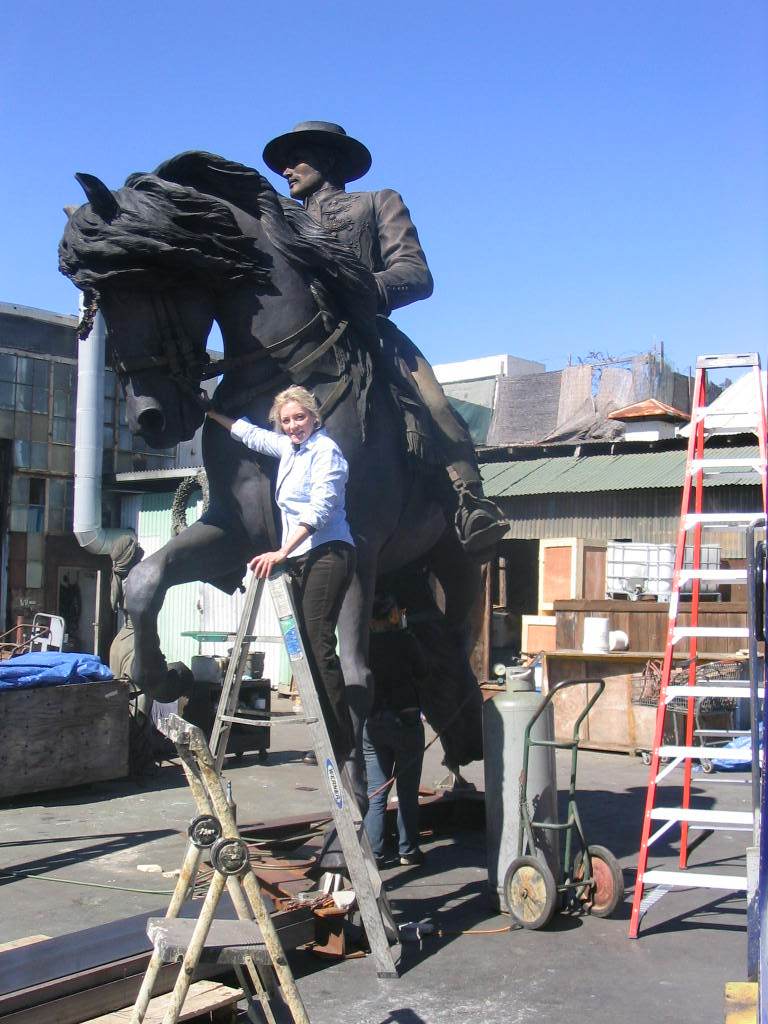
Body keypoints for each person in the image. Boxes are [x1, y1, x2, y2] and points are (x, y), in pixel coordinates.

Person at [262, 120, 509, 560]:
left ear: (329, 159)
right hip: (298, 339)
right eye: (284, 163)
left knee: (433, 401)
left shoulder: (377, 202)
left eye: (297, 158)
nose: (287, 170)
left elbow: (416, 274)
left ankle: (469, 500)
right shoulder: (279, 219)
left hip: (368, 330)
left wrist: (364, 289)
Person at [206, 385, 356, 763]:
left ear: (314, 417)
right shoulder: (289, 449)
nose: (293, 426)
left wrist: (281, 551)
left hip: (328, 551)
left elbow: (321, 508)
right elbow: (253, 436)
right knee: (302, 646)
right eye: (286, 421)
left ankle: (341, 740)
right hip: (302, 554)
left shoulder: (327, 452)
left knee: (318, 643)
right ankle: (325, 733)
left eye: (299, 418)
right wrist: (209, 413)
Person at [362, 592, 429, 867]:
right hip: (405, 722)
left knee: (376, 792)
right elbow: (423, 672)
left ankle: (375, 854)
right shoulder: (405, 640)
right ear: (393, 616)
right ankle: (407, 850)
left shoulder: (363, 645)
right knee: (406, 792)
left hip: (374, 723)